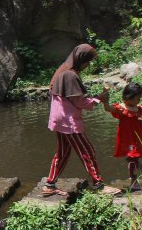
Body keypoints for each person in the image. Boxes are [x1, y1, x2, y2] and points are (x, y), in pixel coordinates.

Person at [42, 44, 121, 196]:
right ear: (81, 59)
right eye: (87, 61)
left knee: (63, 152)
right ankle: (99, 185)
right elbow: (80, 103)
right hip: (68, 121)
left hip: (58, 119)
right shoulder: (70, 75)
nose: (87, 65)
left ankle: (50, 184)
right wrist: (99, 98)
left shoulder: (63, 69)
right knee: (87, 150)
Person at [101, 82, 142, 191]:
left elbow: (136, 118)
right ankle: (134, 181)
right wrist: (105, 96)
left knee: (137, 155)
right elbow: (108, 108)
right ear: (128, 97)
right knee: (132, 157)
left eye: (140, 98)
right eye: (137, 98)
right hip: (128, 138)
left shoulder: (136, 108)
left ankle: (135, 167)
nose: (139, 101)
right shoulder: (121, 109)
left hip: (137, 136)